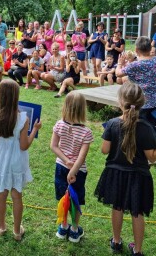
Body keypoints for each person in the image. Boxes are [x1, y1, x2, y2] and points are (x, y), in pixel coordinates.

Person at [95, 83, 156, 256]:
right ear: (142, 102)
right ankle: (137, 250)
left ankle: (116, 241)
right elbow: (152, 157)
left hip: (115, 174)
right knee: (137, 213)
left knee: (117, 207)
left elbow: (104, 150)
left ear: (120, 102)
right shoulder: (145, 127)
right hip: (138, 176)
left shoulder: (112, 124)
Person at [0, 79, 41, 241]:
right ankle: (17, 231)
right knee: (17, 196)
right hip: (17, 159)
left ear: (0, 96)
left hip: (1, 159)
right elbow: (24, 146)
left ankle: (2, 227)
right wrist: (34, 130)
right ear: (16, 96)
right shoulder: (23, 118)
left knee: (2, 194)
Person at [51, 92, 93, 242]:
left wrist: (66, 161)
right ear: (83, 109)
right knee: (75, 199)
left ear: (66, 106)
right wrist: (73, 170)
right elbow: (82, 157)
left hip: (61, 167)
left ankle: (63, 227)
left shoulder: (59, 125)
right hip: (78, 171)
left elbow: (54, 146)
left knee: (64, 197)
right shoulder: (86, 132)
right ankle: (74, 230)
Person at [115, 36, 156, 137]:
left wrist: (120, 64)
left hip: (139, 104)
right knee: (153, 130)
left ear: (136, 50)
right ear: (150, 48)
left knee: (138, 131)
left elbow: (118, 74)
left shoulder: (135, 65)